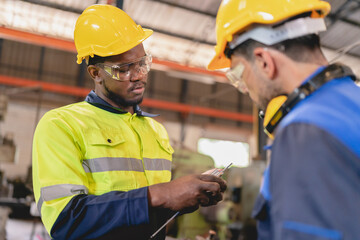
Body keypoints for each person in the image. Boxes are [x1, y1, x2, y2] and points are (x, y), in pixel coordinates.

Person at [32, 4, 226, 240]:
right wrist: (161, 194)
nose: (139, 76)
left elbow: (147, 220)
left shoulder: (155, 131)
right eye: (123, 69)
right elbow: (66, 221)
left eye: (142, 63)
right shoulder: (62, 125)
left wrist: (183, 200)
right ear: (95, 73)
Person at [209, 0, 360, 239]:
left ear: (264, 61)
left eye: (239, 74)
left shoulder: (303, 133)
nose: (246, 88)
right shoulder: (351, 101)